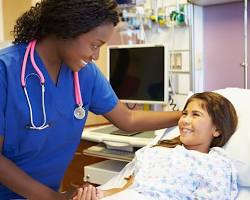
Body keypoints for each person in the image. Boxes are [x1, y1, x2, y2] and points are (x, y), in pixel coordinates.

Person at [0, 0, 182, 199]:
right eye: (94, 45)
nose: (95, 56)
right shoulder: (5, 70)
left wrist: (186, 115)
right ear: (67, 28)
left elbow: (128, 119)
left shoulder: (86, 74)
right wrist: (56, 198)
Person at [74, 92, 239, 200]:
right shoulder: (156, 152)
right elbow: (127, 189)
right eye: (184, 114)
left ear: (216, 129)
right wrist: (98, 194)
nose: (185, 120)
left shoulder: (215, 164)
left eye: (196, 115)